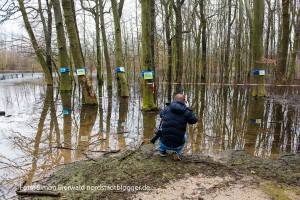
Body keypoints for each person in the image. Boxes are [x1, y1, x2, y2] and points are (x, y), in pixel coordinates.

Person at [158, 93, 198, 160]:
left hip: (164, 143)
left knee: (161, 131)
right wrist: (188, 108)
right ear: (184, 102)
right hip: (177, 145)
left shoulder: (167, 108)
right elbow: (194, 120)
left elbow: (161, 114)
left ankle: (162, 151)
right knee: (185, 136)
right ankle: (177, 151)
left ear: (174, 100)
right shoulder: (186, 112)